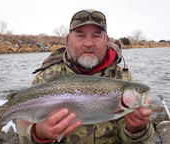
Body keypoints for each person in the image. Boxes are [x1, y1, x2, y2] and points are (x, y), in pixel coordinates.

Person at [18, 9, 154, 144]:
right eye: (80, 35)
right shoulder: (46, 77)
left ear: (106, 40)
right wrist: (40, 133)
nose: (88, 43)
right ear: (68, 40)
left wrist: (137, 129)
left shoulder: (122, 78)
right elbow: (23, 133)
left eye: (96, 36)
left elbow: (140, 140)